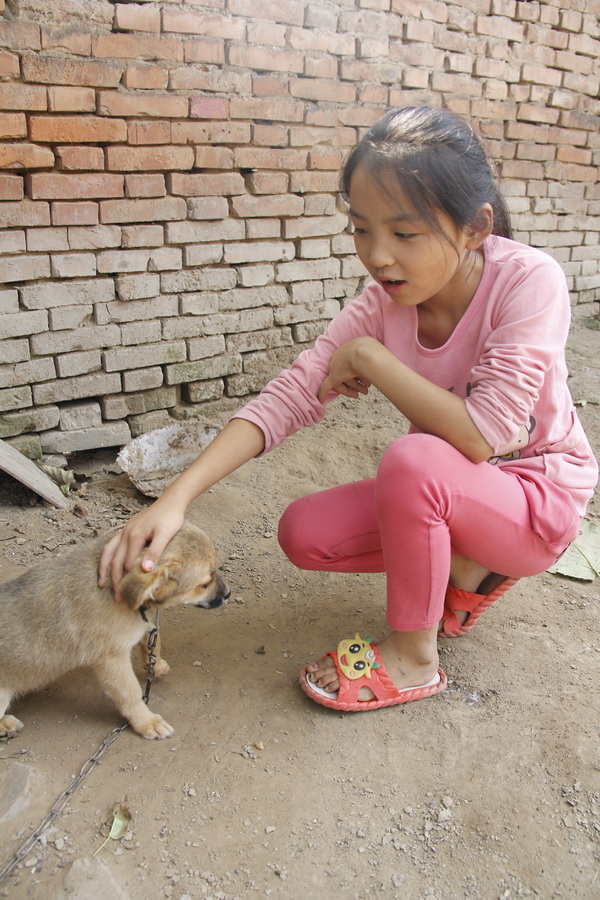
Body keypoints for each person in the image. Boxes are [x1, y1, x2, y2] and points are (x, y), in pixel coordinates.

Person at [100, 106, 598, 713]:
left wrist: (371, 359)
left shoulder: (529, 281)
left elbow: (484, 435)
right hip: (464, 489)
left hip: (535, 496)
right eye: (362, 229)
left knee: (415, 460)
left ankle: (415, 658)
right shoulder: (383, 303)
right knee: (305, 533)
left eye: (404, 233)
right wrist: (174, 500)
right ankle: (467, 567)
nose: (378, 256)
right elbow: (291, 394)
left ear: (475, 226)